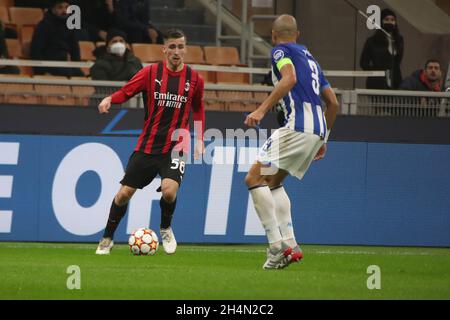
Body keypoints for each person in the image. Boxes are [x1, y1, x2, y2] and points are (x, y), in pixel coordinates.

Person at [95, 29, 205, 255]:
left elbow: (199, 108)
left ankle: (165, 228)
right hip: (148, 145)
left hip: (177, 145)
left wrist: (200, 138)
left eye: (180, 46)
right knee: (124, 194)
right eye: (172, 47)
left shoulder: (195, 79)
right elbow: (126, 92)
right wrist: (109, 98)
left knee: (169, 191)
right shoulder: (150, 73)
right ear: (164, 49)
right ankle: (107, 237)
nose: (176, 51)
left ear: (186, 49)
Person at [244, 15, 339, 270]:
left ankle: (276, 248)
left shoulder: (279, 51)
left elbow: (289, 79)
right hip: (316, 130)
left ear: (274, 36)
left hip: (297, 127)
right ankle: (291, 243)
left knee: (253, 178)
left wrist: (261, 111)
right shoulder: (311, 59)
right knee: (273, 181)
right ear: (298, 34)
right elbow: (334, 103)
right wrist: (323, 139)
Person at [30, 0, 84, 77]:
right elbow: (36, 51)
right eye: (60, 7)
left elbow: (75, 49)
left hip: (64, 64)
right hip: (49, 66)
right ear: (53, 9)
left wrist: (77, 67)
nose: (64, 11)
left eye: (66, 7)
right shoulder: (43, 26)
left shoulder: (69, 27)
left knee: (80, 76)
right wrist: (42, 72)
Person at [360, 8, 404, 90]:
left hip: (395, 80)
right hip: (377, 81)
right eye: (386, 19)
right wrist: (376, 72)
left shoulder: (399, 39)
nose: (390, 22)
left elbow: (398, 61)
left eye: (392, 20)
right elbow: (364, 63)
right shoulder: (372, 41)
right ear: (381, 22)